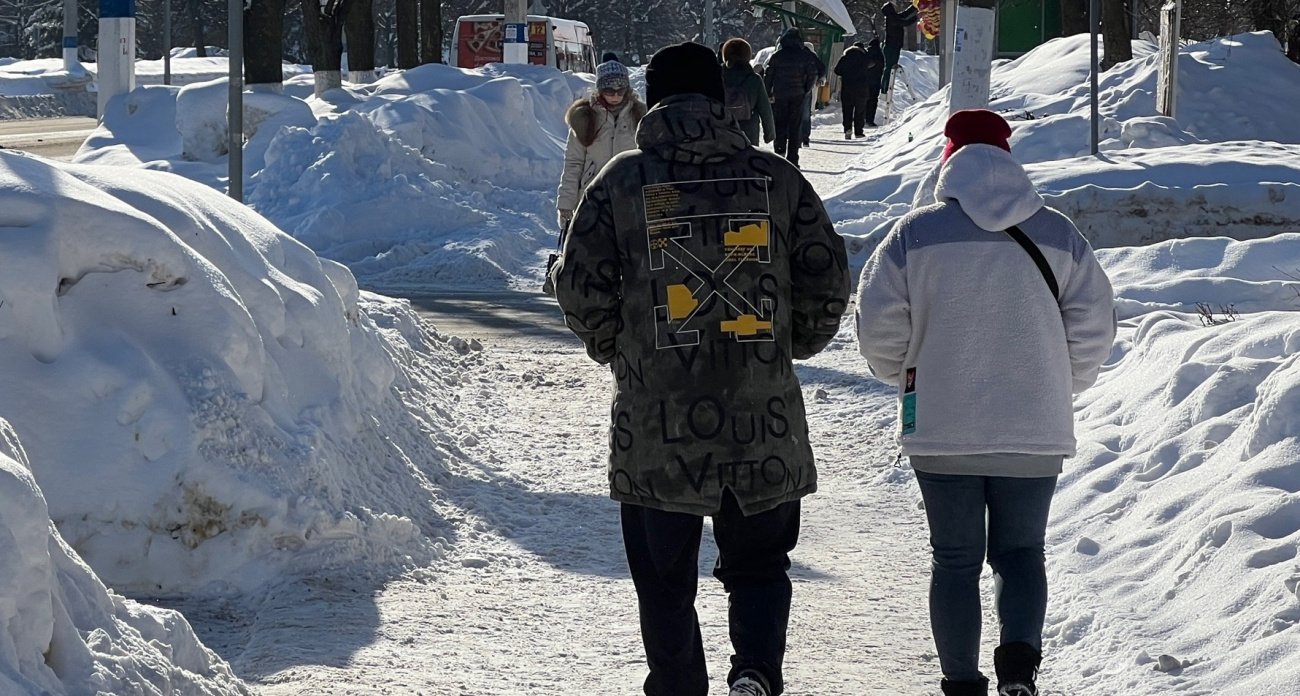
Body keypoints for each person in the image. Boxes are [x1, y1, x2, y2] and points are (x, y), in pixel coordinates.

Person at [550, 41, 850, 696]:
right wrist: (786, 345)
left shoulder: (623, 183)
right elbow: (828, 280)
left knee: (662, 580)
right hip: (761, 417)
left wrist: (617, 348)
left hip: (657, 423)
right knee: (762, 567)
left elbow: (578, 288)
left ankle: (679, 684)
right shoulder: (776, 180)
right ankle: (755, 674)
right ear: (722, 102)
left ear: (651, 102)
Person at [855, 109, 1116, 696]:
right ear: (1009, 157)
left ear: (947, 161)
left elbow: (878, 328)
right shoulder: (1059, 233)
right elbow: (1095, 324)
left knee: (954, 561)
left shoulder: (914, 235)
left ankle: (962, 685)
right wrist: (1057, 381)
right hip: (1035, 426)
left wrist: (908, 376)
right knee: (1022, 551)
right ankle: (1019, 672)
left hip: (943, 427)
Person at [556, 60, 647, 232]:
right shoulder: (584, 118)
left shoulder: (639, 116)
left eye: (620, 90)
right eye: (609, 90)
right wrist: (566, 203)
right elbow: (574, 163)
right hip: (592, 197)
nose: (615, 95)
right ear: (599, 89)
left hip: (629, 196)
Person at [763, 28, 821, 168]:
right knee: (795, 126)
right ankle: (793, 158)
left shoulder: (777, 56)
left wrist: (769, 92)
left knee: (780, 123)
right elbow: (813, 74)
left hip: (780, 94)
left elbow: (768, 75)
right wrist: (805, 89)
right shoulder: (805, 56)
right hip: (798, 94)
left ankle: (779, 152)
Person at [721, 38, 775, 147]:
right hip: (748, 130)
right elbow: (765, 109)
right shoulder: (754, 79)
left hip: (723, 128)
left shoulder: (717, 77)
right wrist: (769, 134)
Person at [832, 40, 881, 138]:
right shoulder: (865, 58)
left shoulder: (844, 58)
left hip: (847, 88)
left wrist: (846, 73)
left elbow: (837, 70)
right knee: (860, 110)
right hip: (861, 88)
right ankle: (858, 131)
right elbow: (873, 65)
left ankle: (848, 129)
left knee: (847, 110)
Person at [880, 0, 919, 92]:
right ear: (892, 7)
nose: (897, 7)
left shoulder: (892, 16)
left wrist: (914, 6)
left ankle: (886, 88)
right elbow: (904, 22)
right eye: (896, 6)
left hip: (894, 46)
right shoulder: (892, 18)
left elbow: (904, 15)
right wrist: (916, 17)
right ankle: (885, 89)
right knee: (889, 68)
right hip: (892, 47)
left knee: (890, 68)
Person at [800, 41, 826, 147]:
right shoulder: (812, 56)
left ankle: (792, 136)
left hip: (790, 89)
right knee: (806, 114)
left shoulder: (792, 54)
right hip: (807, 88)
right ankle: (805, 137)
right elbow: (821, 70)